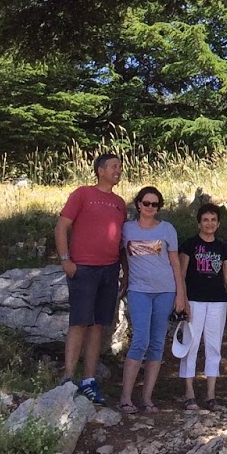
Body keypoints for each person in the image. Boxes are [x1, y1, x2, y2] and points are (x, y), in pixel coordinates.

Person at [54, 152, 125, 404]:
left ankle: (88, 380)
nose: (118, 170)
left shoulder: (119, 203)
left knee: (98, 325)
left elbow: (122, 240)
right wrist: (65, 260)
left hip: (110, 269)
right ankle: (68, 377)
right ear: (100, 170)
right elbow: (61, 226)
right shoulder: (83, 194)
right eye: (114, 166)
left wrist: (125, 271)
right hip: (83, 268)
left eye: (120, 167)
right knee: (79, 322)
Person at [119, 185, 187, 414]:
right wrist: (124, 278)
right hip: (138, 291)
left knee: (157, 343)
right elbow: (120, 255)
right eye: (146, 203)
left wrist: (180, 294)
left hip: (165, 291)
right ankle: (125, 398)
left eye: (154, 204)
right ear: (138, 204)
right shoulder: (126, 229)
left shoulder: (167, 229)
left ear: (159, 207)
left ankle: (147, 398)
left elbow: (175, 263)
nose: (150, 207)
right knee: (140, 340)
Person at [177, 202, 227, 411]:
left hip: (217, 301)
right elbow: (181, 275)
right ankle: (189, 393)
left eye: (213, 220)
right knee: (191, 345)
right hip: (194, 300)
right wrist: (183, 300)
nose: (209, 224)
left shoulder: (222, 248)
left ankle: (211, 395)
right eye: (205, 220)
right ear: (199, 223)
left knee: (214, 346)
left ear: (218, 223)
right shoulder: (189, 245)